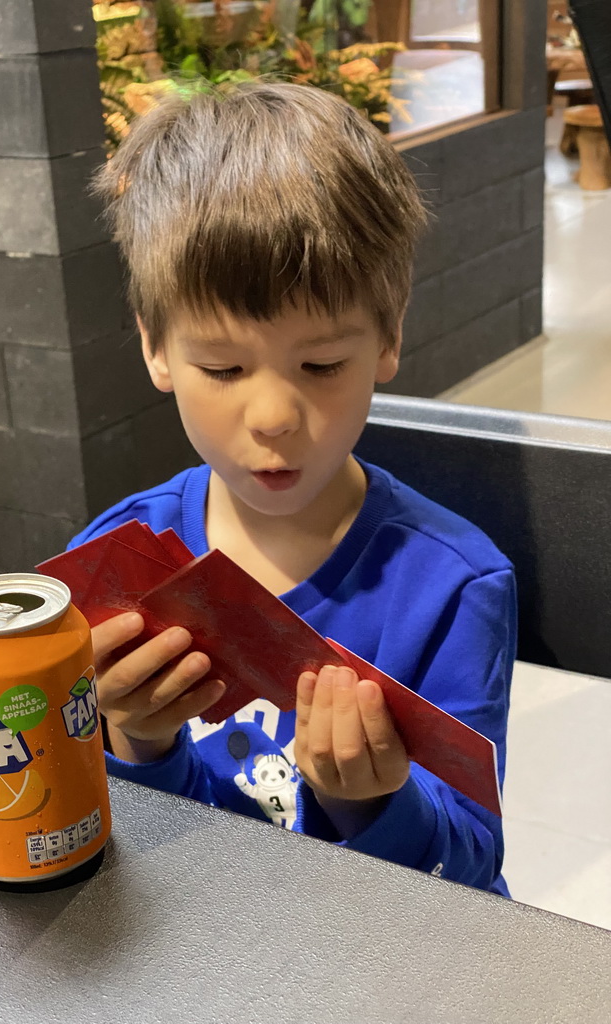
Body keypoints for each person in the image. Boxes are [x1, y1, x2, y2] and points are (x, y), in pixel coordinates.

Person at [69, 81, 516, 895]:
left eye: (321, 365)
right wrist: (138, 744)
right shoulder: (114, 566)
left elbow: (474, 864)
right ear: (155, 348)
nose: (274, 414)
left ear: (389, 335)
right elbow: (106, 853)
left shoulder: (456, 587)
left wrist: (375, 803)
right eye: (224, 367)